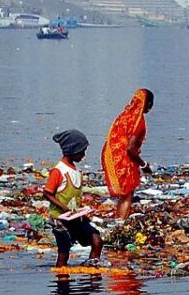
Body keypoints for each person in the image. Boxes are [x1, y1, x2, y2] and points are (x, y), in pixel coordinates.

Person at [42, 129, 104, 267]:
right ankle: (62, 282)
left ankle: (92, 274)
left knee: (97, 240)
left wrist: (81, 211)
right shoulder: (59, 170)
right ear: (72, 150)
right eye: (81, 151)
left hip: (74, 217)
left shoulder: (75, 171)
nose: (83, 155)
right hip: (61, 220)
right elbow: (47, 193)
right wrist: (64, 208)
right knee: (64, 253)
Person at [102, 88, 154, 220]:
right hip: (124, 158)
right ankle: (120, 221)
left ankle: (117, 220)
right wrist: (143, 164)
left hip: (111, 155)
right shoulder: (139, 121)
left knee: (124, 193)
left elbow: (119, 138)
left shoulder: (124, 116)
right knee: (128, 193)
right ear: (147, 104)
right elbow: (130, 149)